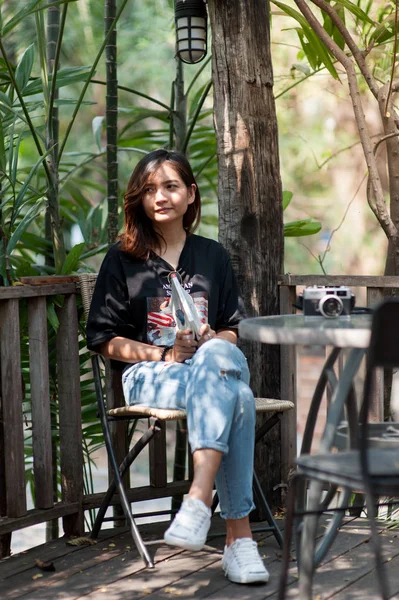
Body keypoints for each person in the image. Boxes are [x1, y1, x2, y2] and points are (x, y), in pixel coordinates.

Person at [86, 149, 269, 585]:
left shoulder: (212, 256)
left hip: (208, 373)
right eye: (149, 189)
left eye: (170, 187)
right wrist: (167, 354)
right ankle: (237, 539)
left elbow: (232, 329)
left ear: (190, 194)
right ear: (139, 199)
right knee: (234, 391)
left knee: (230, 381)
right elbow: (104, 340)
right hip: (152, 376)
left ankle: (199, 497)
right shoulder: (122, 259)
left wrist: (206, 342)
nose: (159, 197)